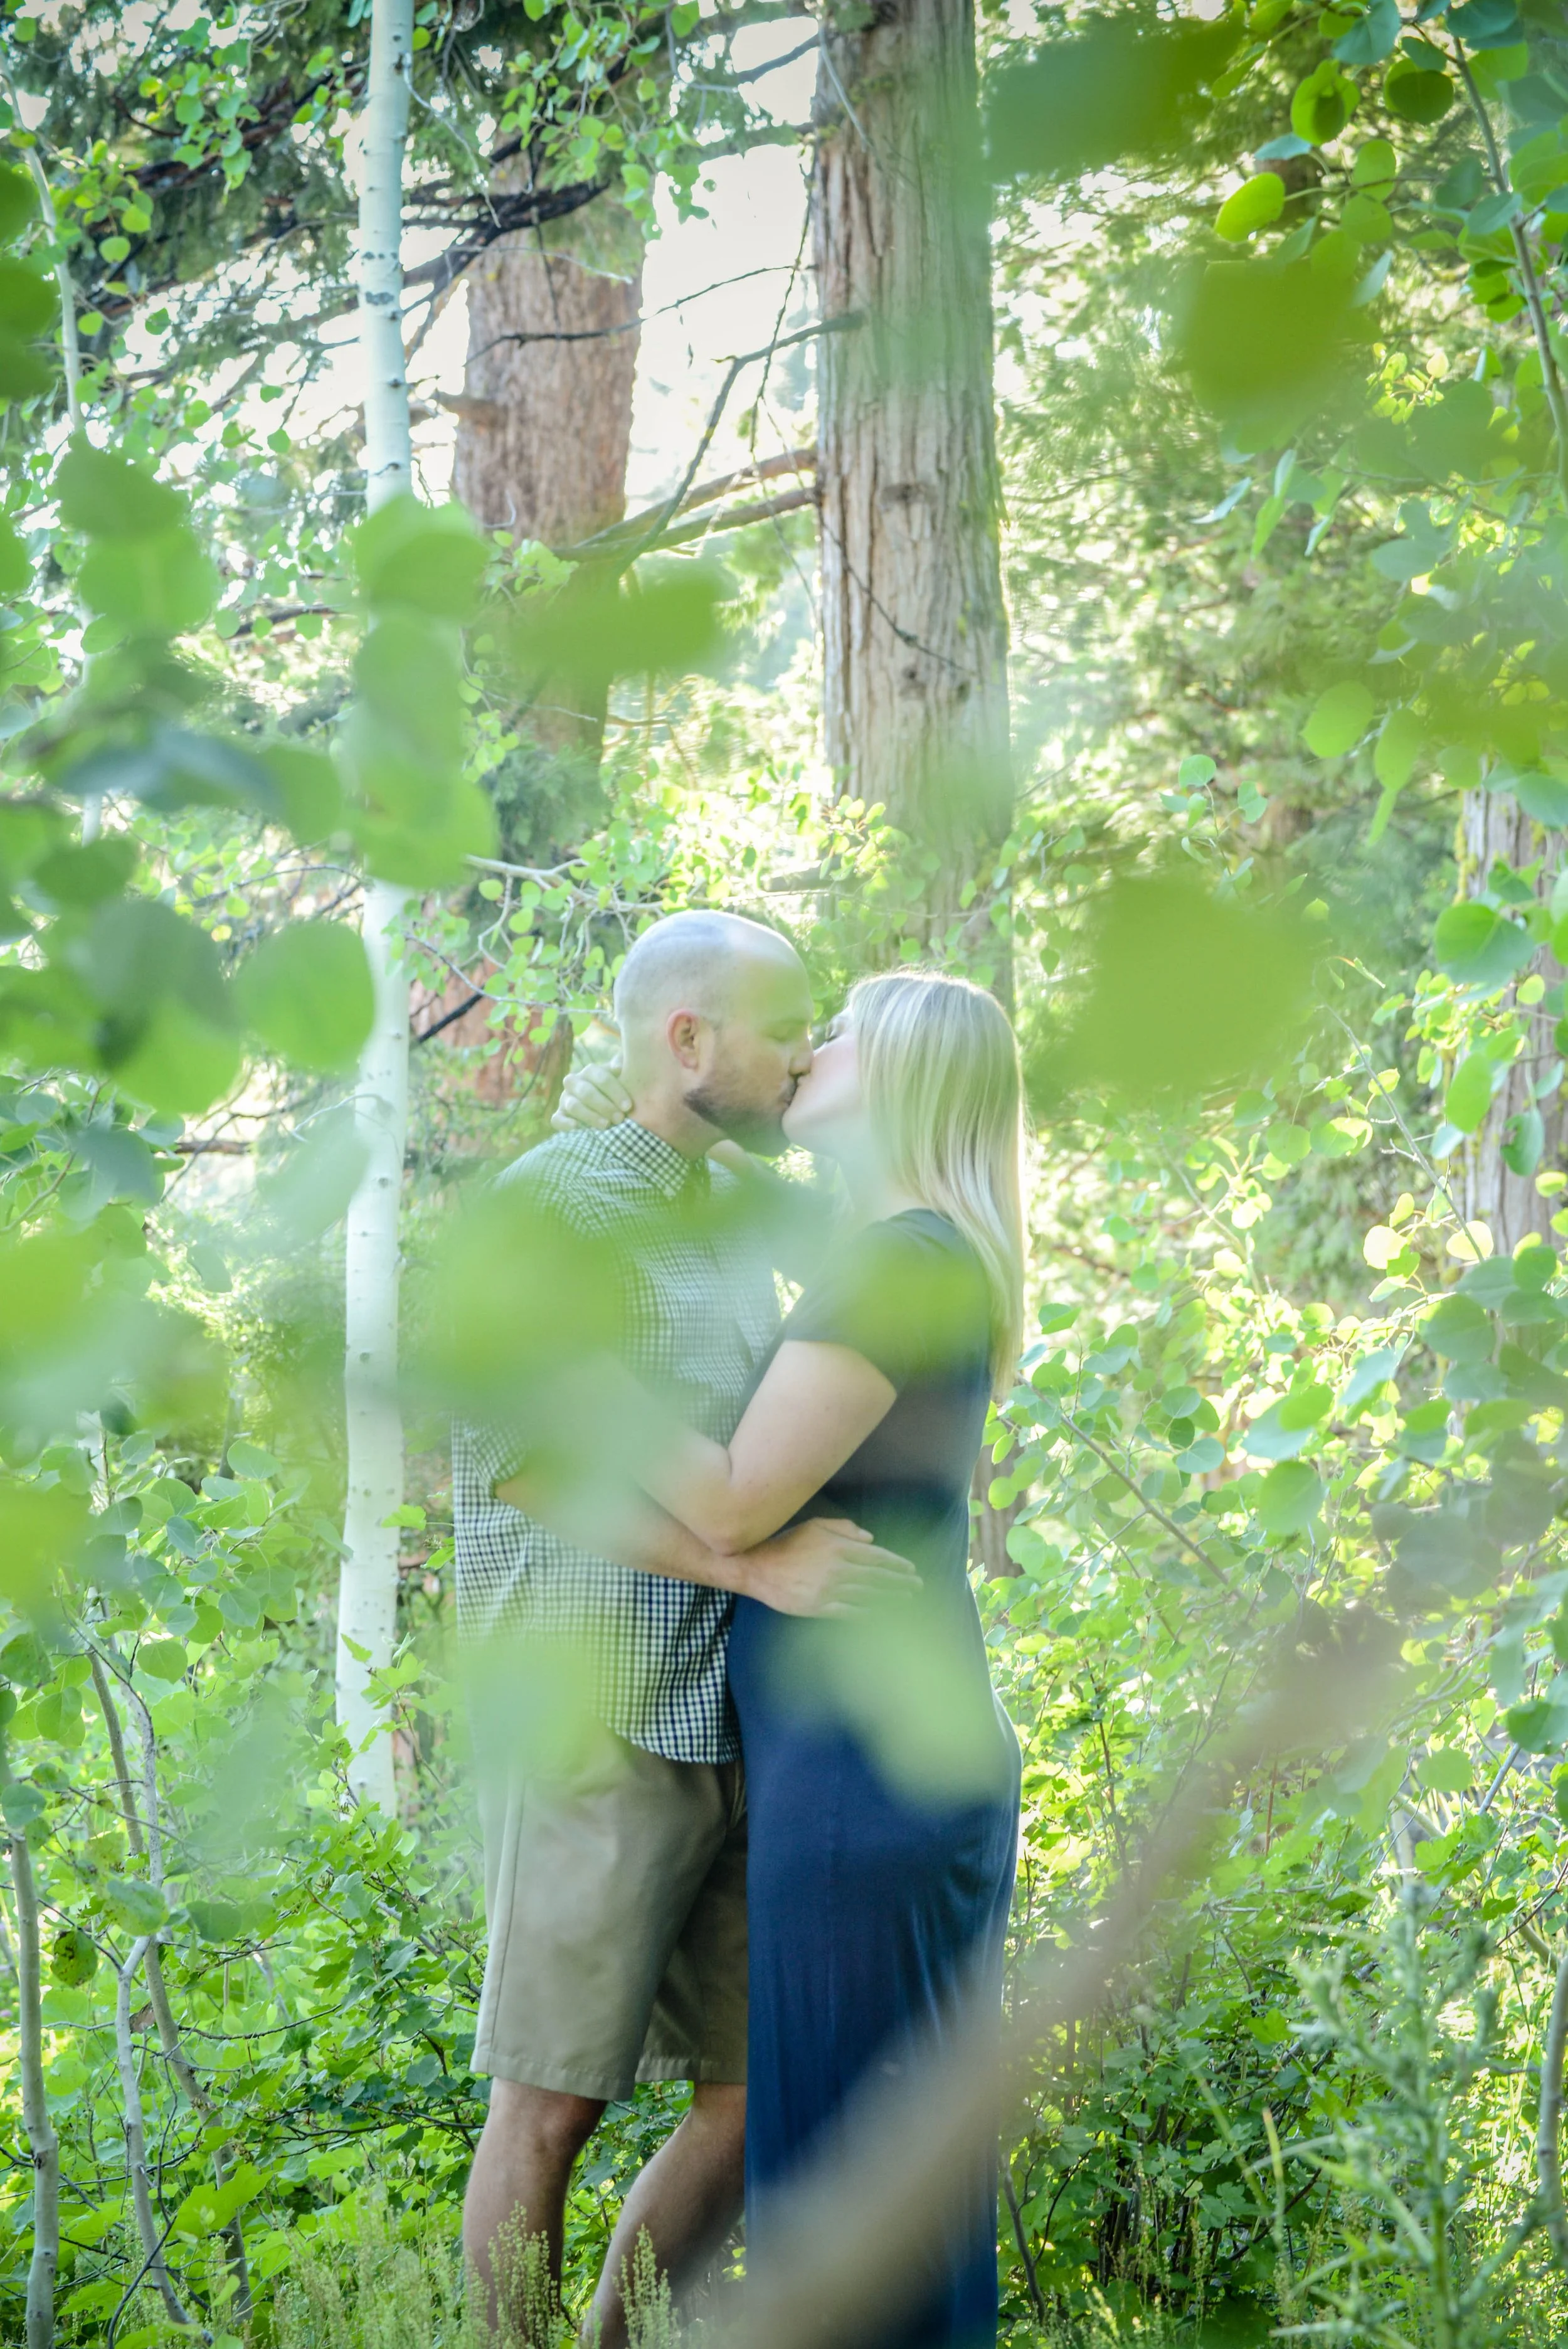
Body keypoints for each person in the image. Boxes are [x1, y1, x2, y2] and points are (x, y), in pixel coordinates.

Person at [451, 910, 919, 2343]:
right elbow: (524, 1464)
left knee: (747, 2091)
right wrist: (753, 1573)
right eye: (782, 1029)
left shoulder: (737, 1225)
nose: (795, 1061)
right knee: (553, 2094)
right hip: (596, 1715)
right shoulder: (552, 1208)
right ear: (688, 1039)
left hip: (734, 1720)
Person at [559, 967, 1026, 2349]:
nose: (812, 1047)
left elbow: (729, 1500)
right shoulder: (890, 1249)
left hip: (866, 1779)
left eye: (845, 1031)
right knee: (870, 2161)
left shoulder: (904, 1263)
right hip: (872, 1762)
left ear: (907, 1078)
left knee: (843, 2176)